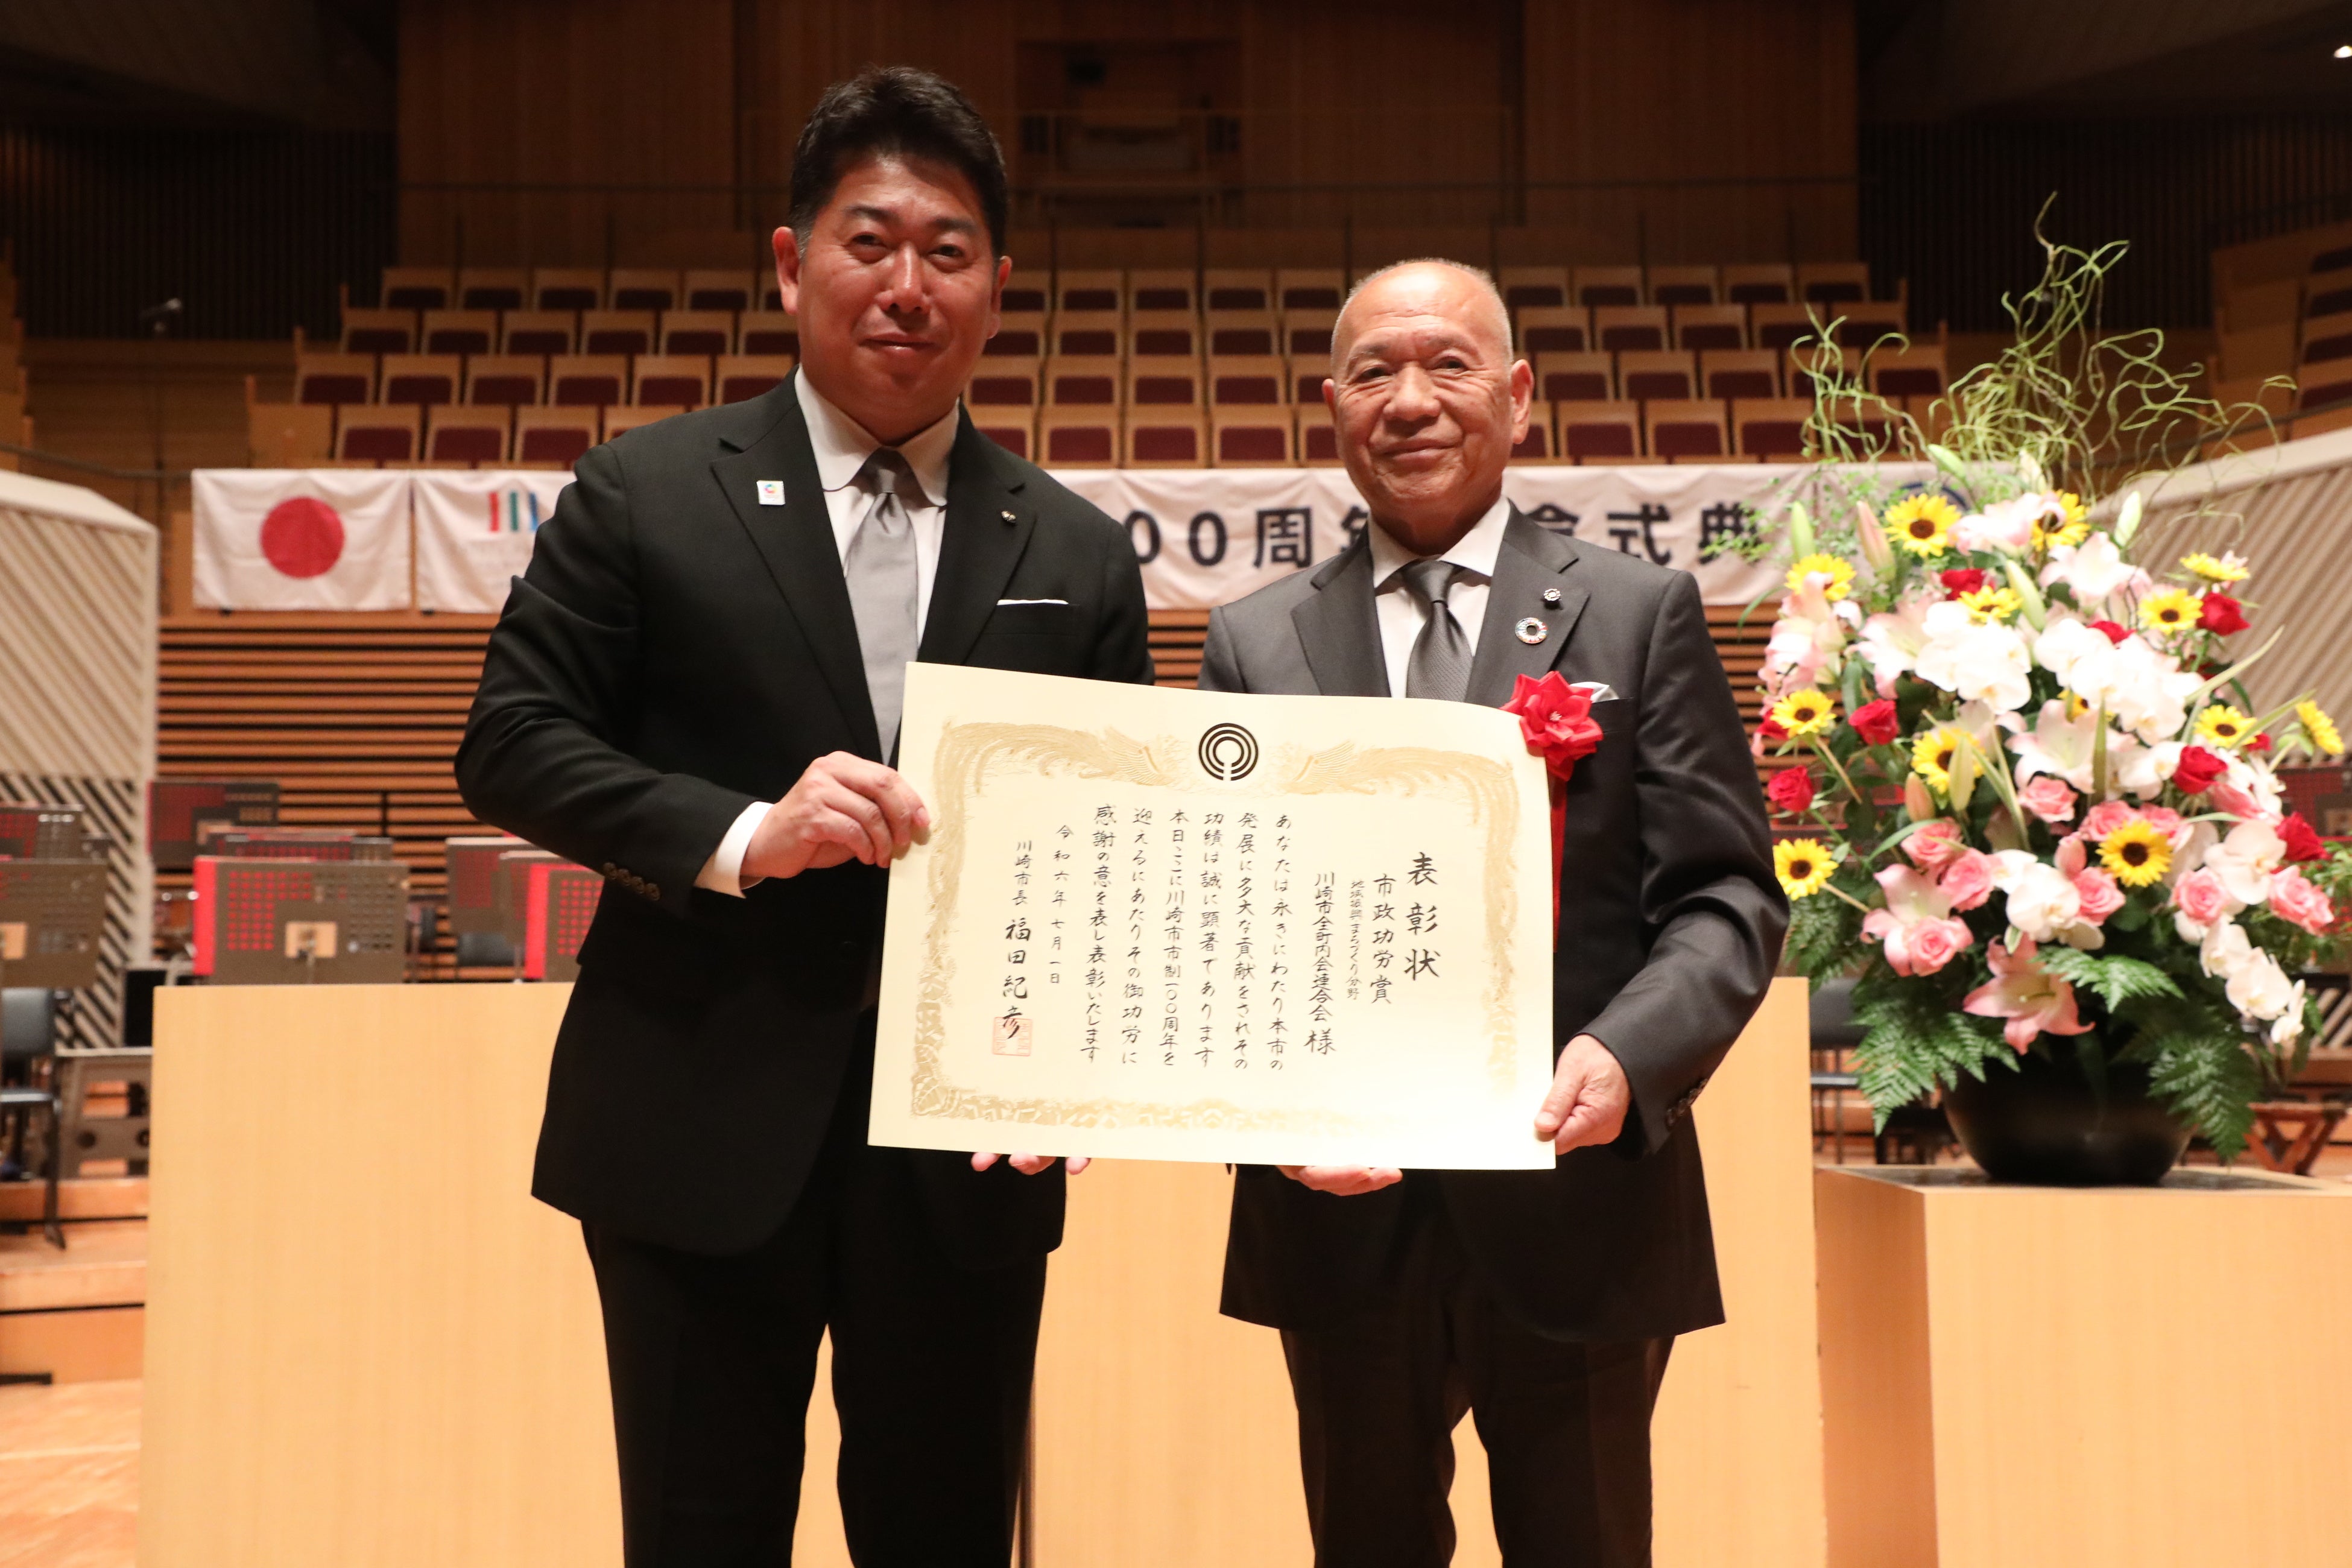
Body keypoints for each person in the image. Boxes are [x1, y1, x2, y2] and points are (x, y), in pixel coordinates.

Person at [457, 66, 1151, 1567]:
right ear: (791, 263)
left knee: (948, 1535)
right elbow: (508, 742)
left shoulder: (1083, 555)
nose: (909, 285)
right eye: (870, 240)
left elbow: (1118, 851)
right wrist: (737, 833)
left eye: (949, 251)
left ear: (999, 287)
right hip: (693, 1124)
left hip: (968, 1165)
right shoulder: (646, 491)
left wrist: (1087, 1069)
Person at [1198, 259, 1785, 1568]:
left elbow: (1728, 896)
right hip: (1338, 1205)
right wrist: (1271, 1105)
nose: (1411, 400)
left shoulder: (1637, 616)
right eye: (1373, 372)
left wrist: (1630, 1058)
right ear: (1330, 408)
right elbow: (1221, 927)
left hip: (1576, 1197)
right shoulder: (1254, 643)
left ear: (1518, 398)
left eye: (1448, 365)